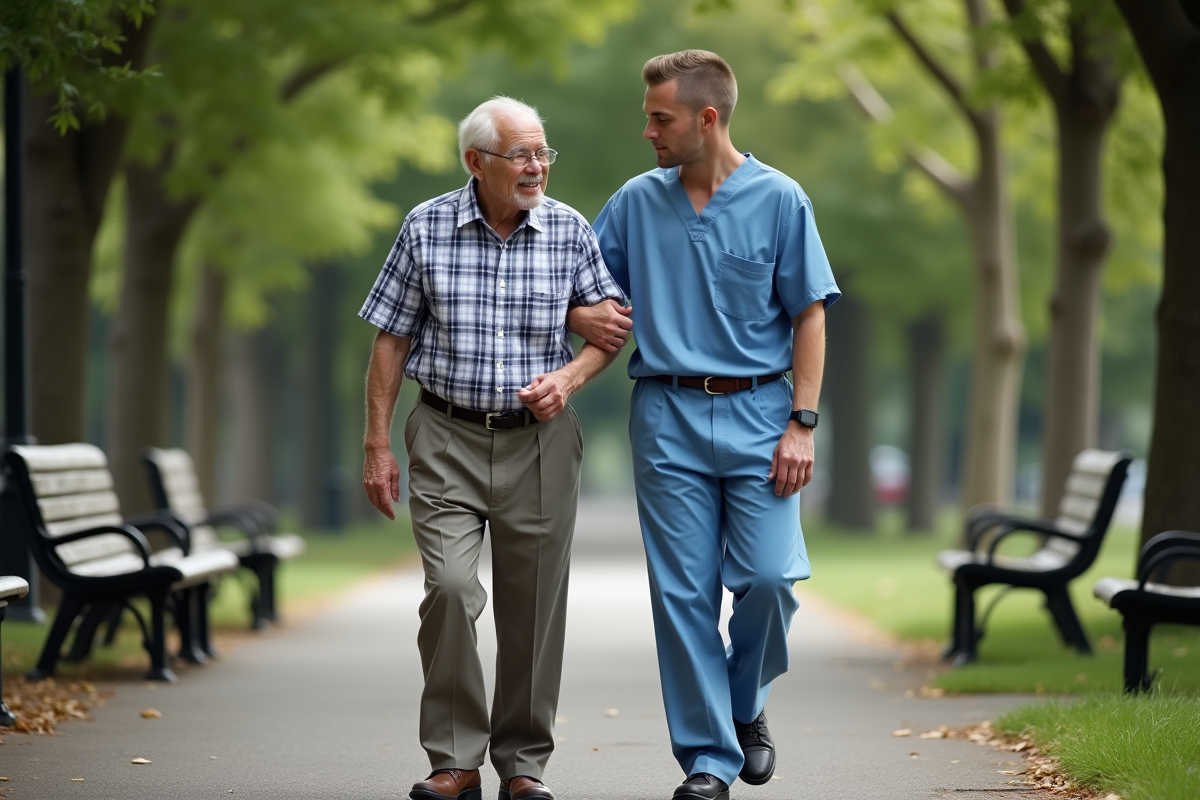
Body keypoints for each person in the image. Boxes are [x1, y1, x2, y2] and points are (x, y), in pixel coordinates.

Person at [572, 50, 840, 800]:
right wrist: (576, 317)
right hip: (666, 414)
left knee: (767, 579)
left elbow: (809, 313)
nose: (648, 132)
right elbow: (586, 291)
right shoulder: (634, 203)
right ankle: (709, 762)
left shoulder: (781, 200)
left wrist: (803, 422)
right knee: (682, 594)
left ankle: (743, 703)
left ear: (707, 118)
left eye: (660, 119)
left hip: (762, 413)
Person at [360, 96, 625, 800]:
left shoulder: (569, 230)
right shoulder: (425, 226)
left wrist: (566, 381)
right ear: (476, 163)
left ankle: (523, 765)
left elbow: (610, 332)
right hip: (444, 434)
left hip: (539, 444)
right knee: (448, 590)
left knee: (533, 608)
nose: (536, 166)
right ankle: (453, 759)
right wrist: (376, 445)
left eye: (543, 153)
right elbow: (390, 336)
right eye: (521, 155)